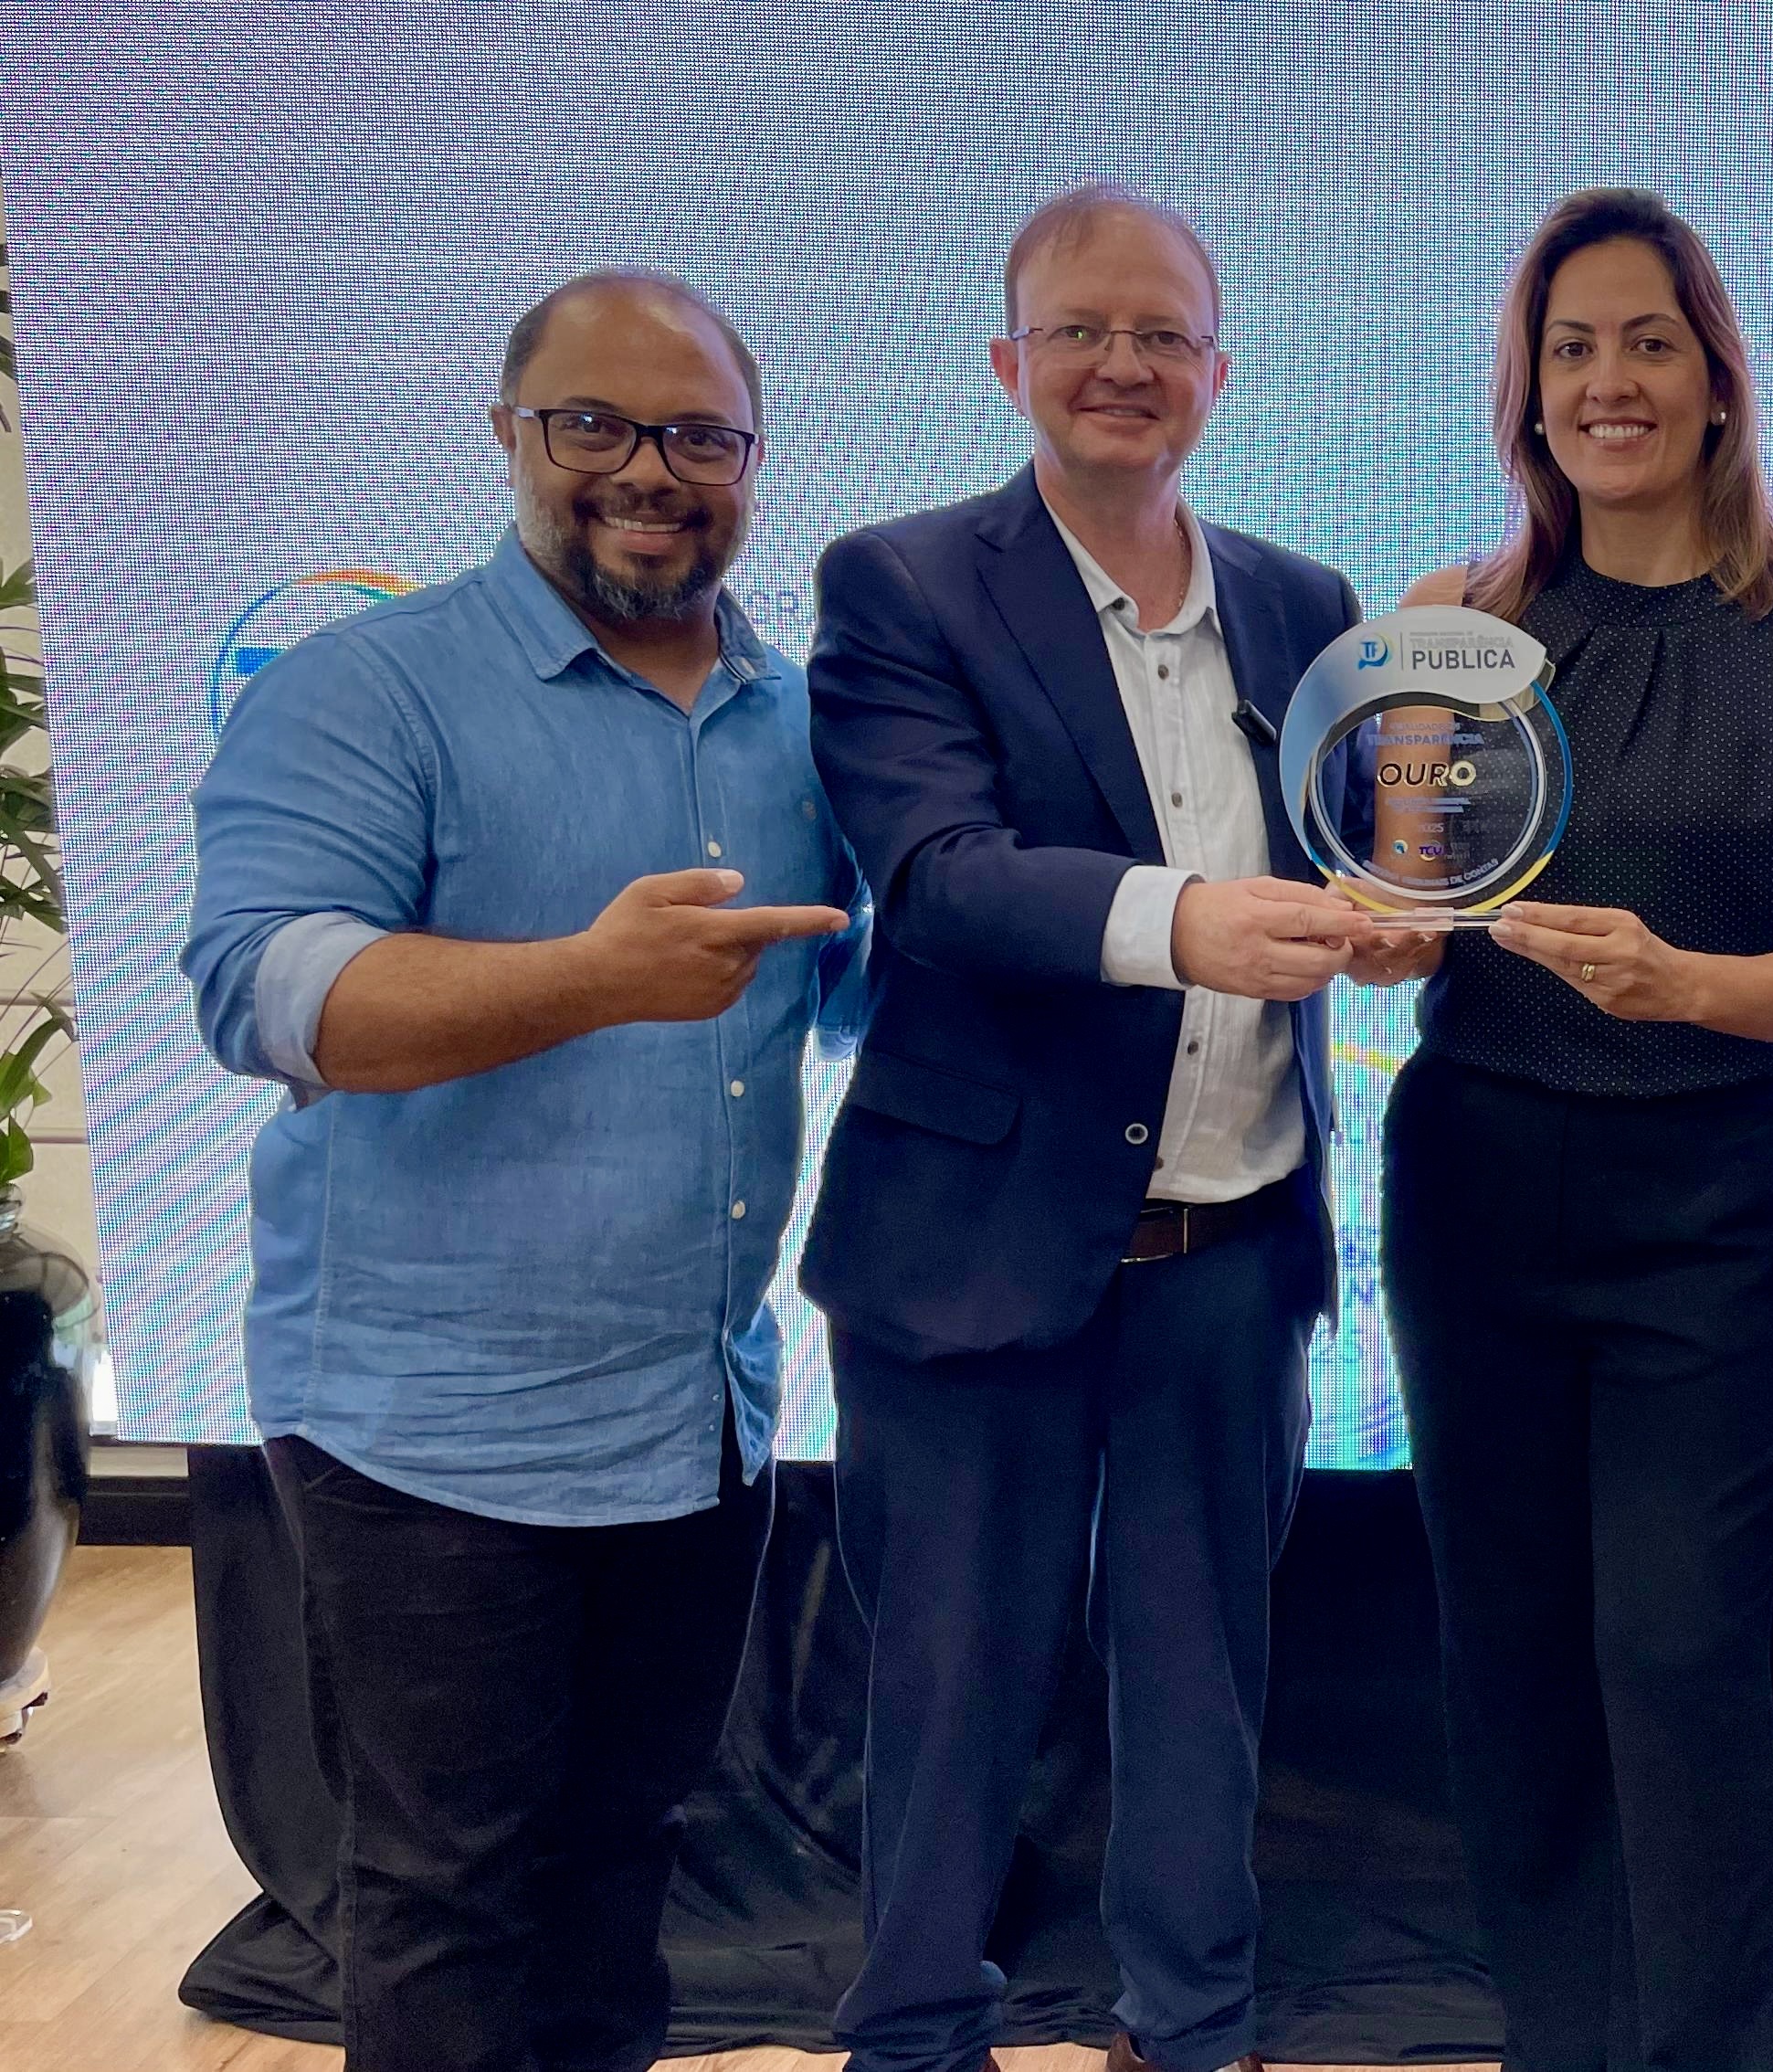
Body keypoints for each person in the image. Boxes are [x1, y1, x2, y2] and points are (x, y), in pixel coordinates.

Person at [183, 269, 855, 2072]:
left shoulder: (800, 721)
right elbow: (266, 994)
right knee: (449, 1896)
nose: (648, 469)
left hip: (694, 1421)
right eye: (594, 424)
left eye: (698, 435)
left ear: (753, 461)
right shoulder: (366, 689)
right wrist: (590, 979)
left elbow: (861, 983)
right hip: (426, 1433)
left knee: (618, 1869)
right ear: (508, 435)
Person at [798, 183, 1377, 2072]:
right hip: (974, 1247)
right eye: (1081, 330)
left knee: (1205, 1681)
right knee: (951, 1684)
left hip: (1233, 1243)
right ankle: (913, 2036)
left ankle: (1193, 2029)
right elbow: (937, 877)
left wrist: (1389, 916)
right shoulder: (900, 583)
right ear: (1008, 360)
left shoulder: (1306, 605)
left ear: (1220, 370)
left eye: (1162, 335)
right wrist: (1190, 923)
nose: (1123, 364)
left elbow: (1360, 854)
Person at [1380, 186, 1773, 2072]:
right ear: (1527, 390)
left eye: (1650, 343)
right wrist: (1371, 923)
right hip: (1476, 1187)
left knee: (1675, 1652)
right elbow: (1404, 910)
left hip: (1720, 1209)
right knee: (1510, 1654)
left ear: (1717, 380)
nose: (1611, 383)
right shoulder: (1449, 624)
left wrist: (1681, 982)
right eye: (1573, 346)